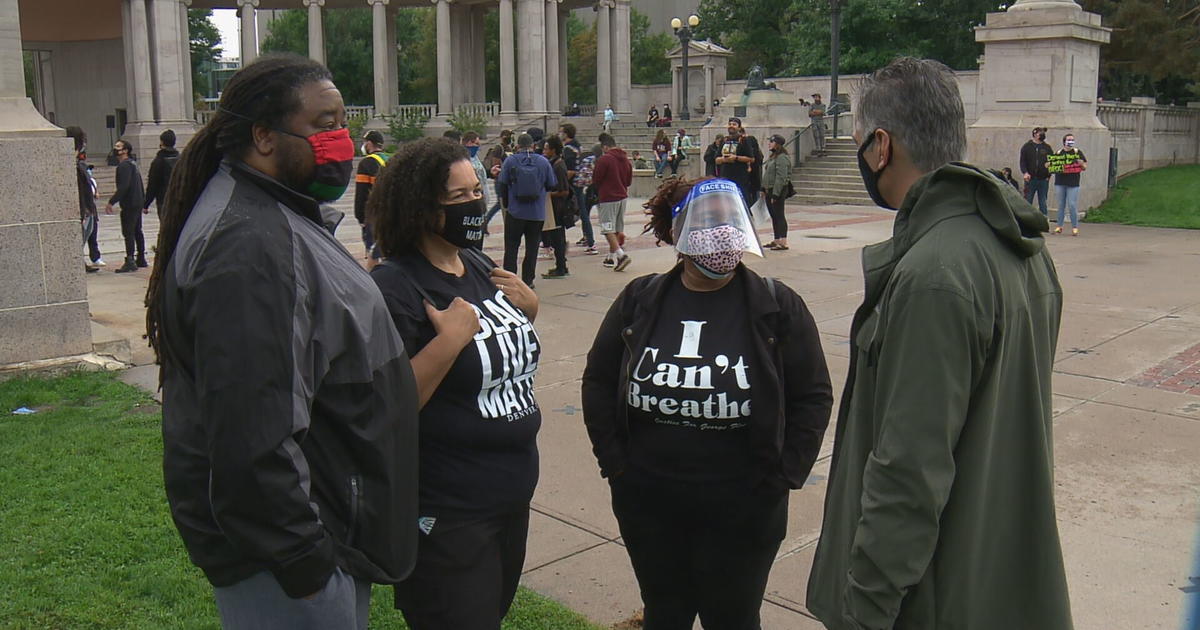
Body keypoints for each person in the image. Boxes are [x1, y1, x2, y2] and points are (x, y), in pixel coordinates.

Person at [145, 54, 419, 630]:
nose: (340, 139)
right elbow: (252, 443)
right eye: (323, 123)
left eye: (343, 121)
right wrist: (308, 568)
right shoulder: (249, 248)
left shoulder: (270, 213)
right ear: (263, 136)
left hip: (321, 539)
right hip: (292, 568)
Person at [806, 57, 1071, 630]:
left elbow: (909, 470)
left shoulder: (935, 274)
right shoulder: (1018, 247)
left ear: (881, 146)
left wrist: (864, 608)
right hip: (992, 580)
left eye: (858, 142)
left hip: (933, 599)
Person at [582, 176, 833, 630]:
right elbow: (599, 381)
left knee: (733, 618)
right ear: (677, 232)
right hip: (651, 504)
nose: (722, 233)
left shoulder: (778, 306)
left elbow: (812, 396)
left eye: (728, 219)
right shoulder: (639, 300)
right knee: (666, 613)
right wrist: (616, 464)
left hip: (744, 508)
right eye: (708, 220)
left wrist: (784, 474)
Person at [366, 137, 541, 630]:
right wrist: (446, 343)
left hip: (510, 496)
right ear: (422, 208)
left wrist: (529, 311)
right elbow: (385, 405)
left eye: (476, 191)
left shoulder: (480, 267)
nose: (475, 204)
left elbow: (502, 356)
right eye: (458, 197)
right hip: (448, 511)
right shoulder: (396, 287)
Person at [496, 133, 556, 287]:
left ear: (518, 146)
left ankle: (510, 280)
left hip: (515, 211)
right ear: (533, 146)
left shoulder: (511, 161)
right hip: (536, 213)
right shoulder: (543, 161)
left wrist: (507, 204)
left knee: (511, 247)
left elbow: (502, 183)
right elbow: (551, 184)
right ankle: (528, 280)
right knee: (532, 248)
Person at [104, 138, 146, 273]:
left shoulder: (124, 166)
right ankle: (140, 257)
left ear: (125, 150)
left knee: (129, 232)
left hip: (130, 203)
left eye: (119, 146)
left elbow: (124, 187)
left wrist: (112, 201)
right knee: (137, 230)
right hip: (137, 201)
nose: (116, 148)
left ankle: (130, 260)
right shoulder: (133, 164)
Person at [592, 133, 633, 271]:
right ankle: (610, 257)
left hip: (608, 197)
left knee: (607, 228)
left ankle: (621, 255)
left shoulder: (605, 160)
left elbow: (596, 179)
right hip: (622, 196)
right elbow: (628, 181)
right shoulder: (626, 160)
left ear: (605, 147)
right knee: (616, 229)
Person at [66, 126, 100, 272]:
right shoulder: (73, 165)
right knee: (83, 233)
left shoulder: (79, 164)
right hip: (83, 207)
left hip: (87, 206)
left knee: (88, 231)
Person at [355, 130, 389, 260]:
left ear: (369, 143)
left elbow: (362, 192)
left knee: (373, 254)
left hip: (374, 215)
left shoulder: (367, 163)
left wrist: (360, 217)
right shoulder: (389, 159)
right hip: (391, 213)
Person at [541, 136, 572, 279]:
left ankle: (561, 266)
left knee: (557, 237)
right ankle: (561, 264)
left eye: (547, 148)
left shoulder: (558, 165)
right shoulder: (553, 163)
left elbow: (564, 190)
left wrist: (548, 195)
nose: (544, 150)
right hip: (554, 207)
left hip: (558, 208)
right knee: (556, 237)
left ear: (553, 150)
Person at [559, 123, 590, 252]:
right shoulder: (577, 145)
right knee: (583, 212)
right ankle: (589, 238)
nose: (559, 134)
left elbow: (570, 170)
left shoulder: (568, 149)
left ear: (566, 134)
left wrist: (561, 181)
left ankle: (561, 242)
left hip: (572, 185)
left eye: (561, 132)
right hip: (579, 183)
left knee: (563, 213)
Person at [714, 118, 757, 208]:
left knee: (741, 204)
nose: (731, 126)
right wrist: (724, 160)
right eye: (730, 124)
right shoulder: (724, 140)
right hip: (725, 176)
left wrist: (736, 158)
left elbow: (751, 158)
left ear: (739, 127)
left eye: (734, 124)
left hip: (740, 178)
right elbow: (716, 159)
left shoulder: (744, 140)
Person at [761, 134, 793, 251]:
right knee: (774, 216)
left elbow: (781, 177)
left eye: (771, 142)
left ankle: (783, 241)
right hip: (769, 189)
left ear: (777, 144)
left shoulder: (782, 158)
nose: (769, 144)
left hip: (778, 190)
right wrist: (763, 188)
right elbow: (768, 175)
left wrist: (776, 193)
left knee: (779, 215)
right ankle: (776, 239)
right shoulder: (773, 157)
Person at [1052, 133, 1087, 236]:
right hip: (1060, 182)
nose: (1071, 141)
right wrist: (1051, 165)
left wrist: (1081, 164)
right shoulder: (1058, 152)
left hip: (1073, 182)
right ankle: (1059, 226)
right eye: (1069, 140)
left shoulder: (1077, 152)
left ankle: (1075, 227)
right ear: (1064, 141)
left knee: (1072, 204)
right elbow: (1052, 166)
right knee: (1060, 205)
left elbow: (1085, 166)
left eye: (1072, 140)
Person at [143, 129, 180, 217]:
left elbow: (152, 185)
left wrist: (146, 204)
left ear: (162, 142)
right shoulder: (181, 159)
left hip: (164, 199)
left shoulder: (158, 161)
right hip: (179, 199)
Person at [574, 144, 603, 256]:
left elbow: (583, 177)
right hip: (598, 191)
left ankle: (589, 240)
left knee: (584, 215)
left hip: (587, 191)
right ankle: (588, 238)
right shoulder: (602, 161)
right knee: (588, 215)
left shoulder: (588, 160)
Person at [483, 129, 514, 233]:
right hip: (500, 180)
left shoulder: (509, 148)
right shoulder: (498, 148)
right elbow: (496, 164)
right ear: (502, 137)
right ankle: (485, 222)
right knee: (500, 203)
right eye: (507, 136)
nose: (509, 138)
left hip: (508, 180)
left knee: (504, 203)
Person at [1019, 126, 1052, 217]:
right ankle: (1026, 219)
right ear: (1035, 134)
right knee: (1028, 201)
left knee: (1043, 201)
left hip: (1043, 180)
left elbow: (1053, 162)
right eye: (1040, 133)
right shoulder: (1026, 147)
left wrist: (1049, 175)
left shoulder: (1047, 148)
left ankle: (1044, 219)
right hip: (1030, 179)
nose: (1042, 135)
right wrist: (1025, 172)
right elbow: (1022, 162)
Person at [462, 131, 490, 218]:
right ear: (469, 143)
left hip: (482, 196)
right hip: (473, 198)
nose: (478, 146)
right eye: (476, 143)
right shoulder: (463, 158)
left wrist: (490, 173)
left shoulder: (475, 157)